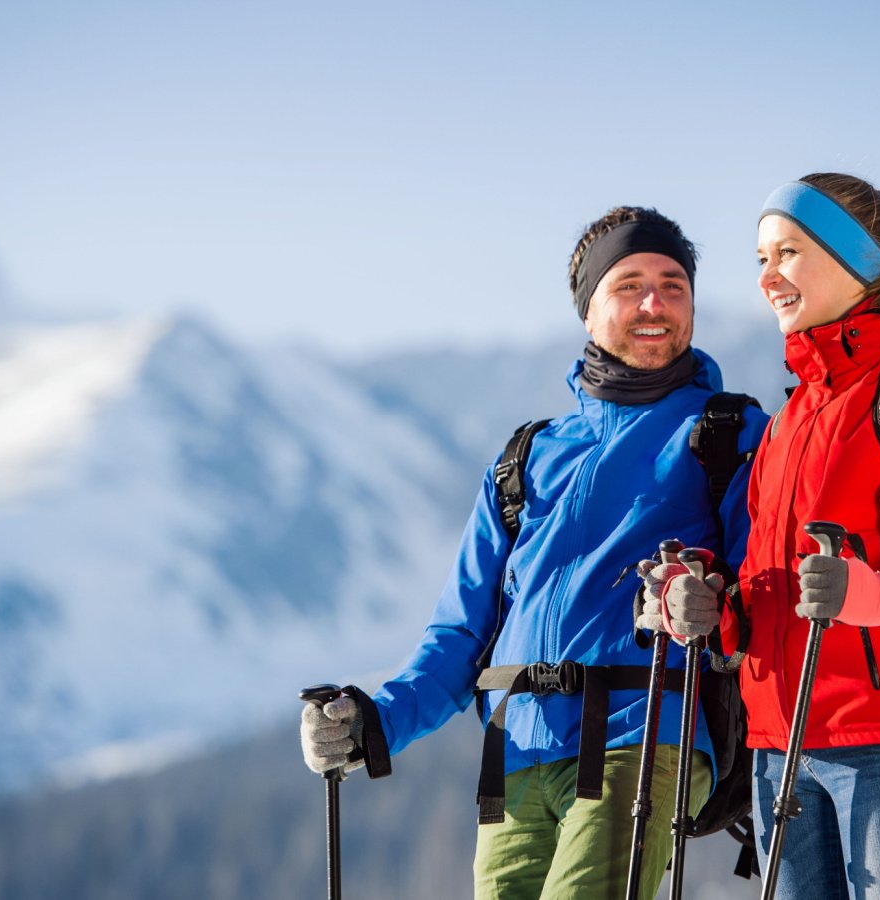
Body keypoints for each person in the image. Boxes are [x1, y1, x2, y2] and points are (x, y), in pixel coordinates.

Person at [299, 206, 768, 898]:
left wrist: (707, 594)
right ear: (587, 309)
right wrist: (375, 721)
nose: (654, 304)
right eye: (629, 283)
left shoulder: (727, 433)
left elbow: (759, 586)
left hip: (643, 736)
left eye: (674, 285)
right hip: (516, 757)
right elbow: (460, 637)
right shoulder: (527, 458)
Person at [642, 173, 880, 899]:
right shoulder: (790, 421)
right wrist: (710, 609)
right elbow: (765, 587)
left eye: (787, 253)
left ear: (856, 262)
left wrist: (875, 595)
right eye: (759, 259)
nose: (768, 277)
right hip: (777, 746)